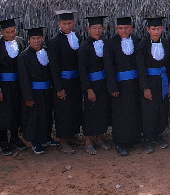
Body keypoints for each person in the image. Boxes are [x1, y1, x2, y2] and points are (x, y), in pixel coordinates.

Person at [105, 16, 145, 156]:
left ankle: (134, 139)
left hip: (134, 84)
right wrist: (113, 87)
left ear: (132, 28)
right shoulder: (110, 44)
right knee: (120, 114)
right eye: (120, 28)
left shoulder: (137, 41)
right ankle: (120, 142)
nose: (123, 30)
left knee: (134, 111)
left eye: (126, 28)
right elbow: (108, 68)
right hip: (119, 86)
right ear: (117, 29)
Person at [49, 10, 85, 155]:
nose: (67, 26)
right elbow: (54, 67)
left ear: (74, 23)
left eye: (70, 23)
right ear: (59, 24)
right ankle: (63, 140)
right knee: (63, 111)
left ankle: (72, 135)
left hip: (76, 82)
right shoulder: (54, 42)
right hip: (63, 82)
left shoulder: (78, 38)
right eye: (64, 23)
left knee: (74, 109)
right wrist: (59, 87)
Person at [77, 15, 113, 154]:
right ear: (88, 29)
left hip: (104, 84)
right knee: (90, 113)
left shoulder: (106, 44)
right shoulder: (84, 48)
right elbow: (82, 70)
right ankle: (87, 140)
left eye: (99, 28)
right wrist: (88, 89)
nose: (97, 31)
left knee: (103, 111)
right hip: (91, 85)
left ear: (103, 29)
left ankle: (99, 138)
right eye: (94, 28)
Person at [17, 27, 54, 155]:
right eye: (34, 39)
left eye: (39, 38)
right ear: (29, 40)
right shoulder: (24, 56)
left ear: (43, 39)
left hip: (46, 91)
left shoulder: (46, 52)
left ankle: (46, 138)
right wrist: (28, 97)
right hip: (34, 92)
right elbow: (23, 79)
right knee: (35, 117)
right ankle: (35, 142)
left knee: (47, 116)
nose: (36, 41)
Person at [141, 16, 170, 153]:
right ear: (148, 30)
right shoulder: (143, 45)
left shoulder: (166, 43)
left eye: (158, 28)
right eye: (153, 29)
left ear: (162, 29)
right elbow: (141, 67)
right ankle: (147, 138)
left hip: (163, 81)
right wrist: (145, 88)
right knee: (149, 110)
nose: (156, 31)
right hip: (149, 82)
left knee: (162, 109)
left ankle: (158, 134)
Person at [0, 19, 25, 156]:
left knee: (16, 110)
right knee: (3, 113)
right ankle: (3, 140)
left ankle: (15, 137)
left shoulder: (20, 42)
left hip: (17, 84)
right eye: (7, 32)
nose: (11, 34)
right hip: (3, 85)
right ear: (1, 32)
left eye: (13, 31)